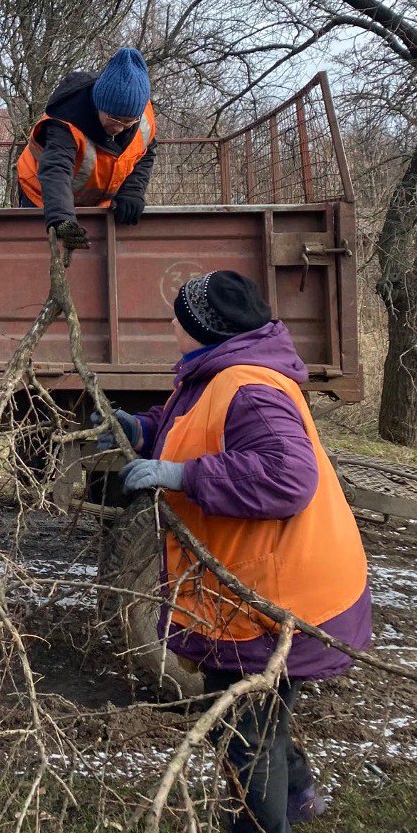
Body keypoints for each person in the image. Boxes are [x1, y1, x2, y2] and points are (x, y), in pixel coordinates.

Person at [110, 270, 371, 832]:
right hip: (266, 586)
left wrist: (180, 474)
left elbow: (287, 476)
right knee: (255, 712)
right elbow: (197, 426)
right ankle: (299, 792)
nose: (170, 322)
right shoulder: (217, 373)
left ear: (204, 328)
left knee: (244, 737)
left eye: (178, 315)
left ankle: (266, 817)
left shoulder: (249, 387)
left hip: (276, 596)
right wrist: (142, 429)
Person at [16, 47, 156, 251]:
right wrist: (61, 219)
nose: (119, 127)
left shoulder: (143, 116)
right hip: (40, 195)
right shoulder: (65, 121)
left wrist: (132, 191)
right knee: (40, 258)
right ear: (98, 104)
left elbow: (146, 151)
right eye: (113, 118)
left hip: (97, 202)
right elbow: (56, 170)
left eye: (128, 122)